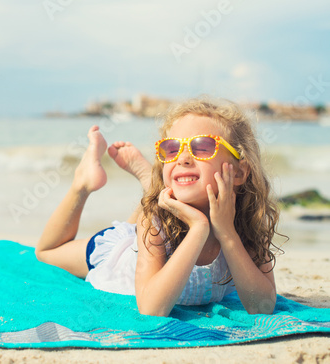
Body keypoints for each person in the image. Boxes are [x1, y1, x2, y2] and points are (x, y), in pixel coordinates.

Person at [35, 97, 282, 317]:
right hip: (121, 256)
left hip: (154, 232)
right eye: (172, 149)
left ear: (238, 172)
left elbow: (261, 306)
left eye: (203, 147)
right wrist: (199, 229)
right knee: (47, 252)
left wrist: (226, 233)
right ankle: (83, 181)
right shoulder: (153, 222)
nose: (183, 157)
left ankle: (147, 185)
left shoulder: (244, 224)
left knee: (146, 207)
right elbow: (152, 308)